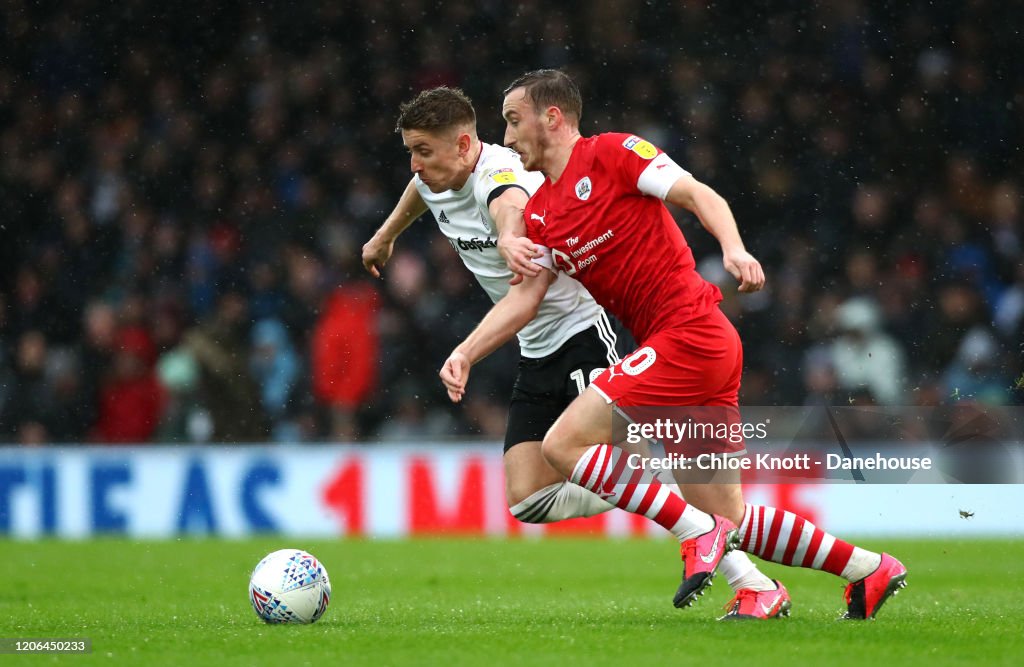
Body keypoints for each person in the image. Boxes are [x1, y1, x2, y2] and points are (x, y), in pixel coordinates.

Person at [440, 69, 907, 620]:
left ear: (553, 118)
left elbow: (694, 192)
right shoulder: (540, 212)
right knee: (730, 514)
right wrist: (467, 351)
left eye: (514, 121)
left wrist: (733, 249)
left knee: (562, 445)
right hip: (684, 347)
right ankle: (868, 569)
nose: (509, 137)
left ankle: (698, 535)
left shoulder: (613, 153)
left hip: (691, 332)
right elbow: (525, 300)